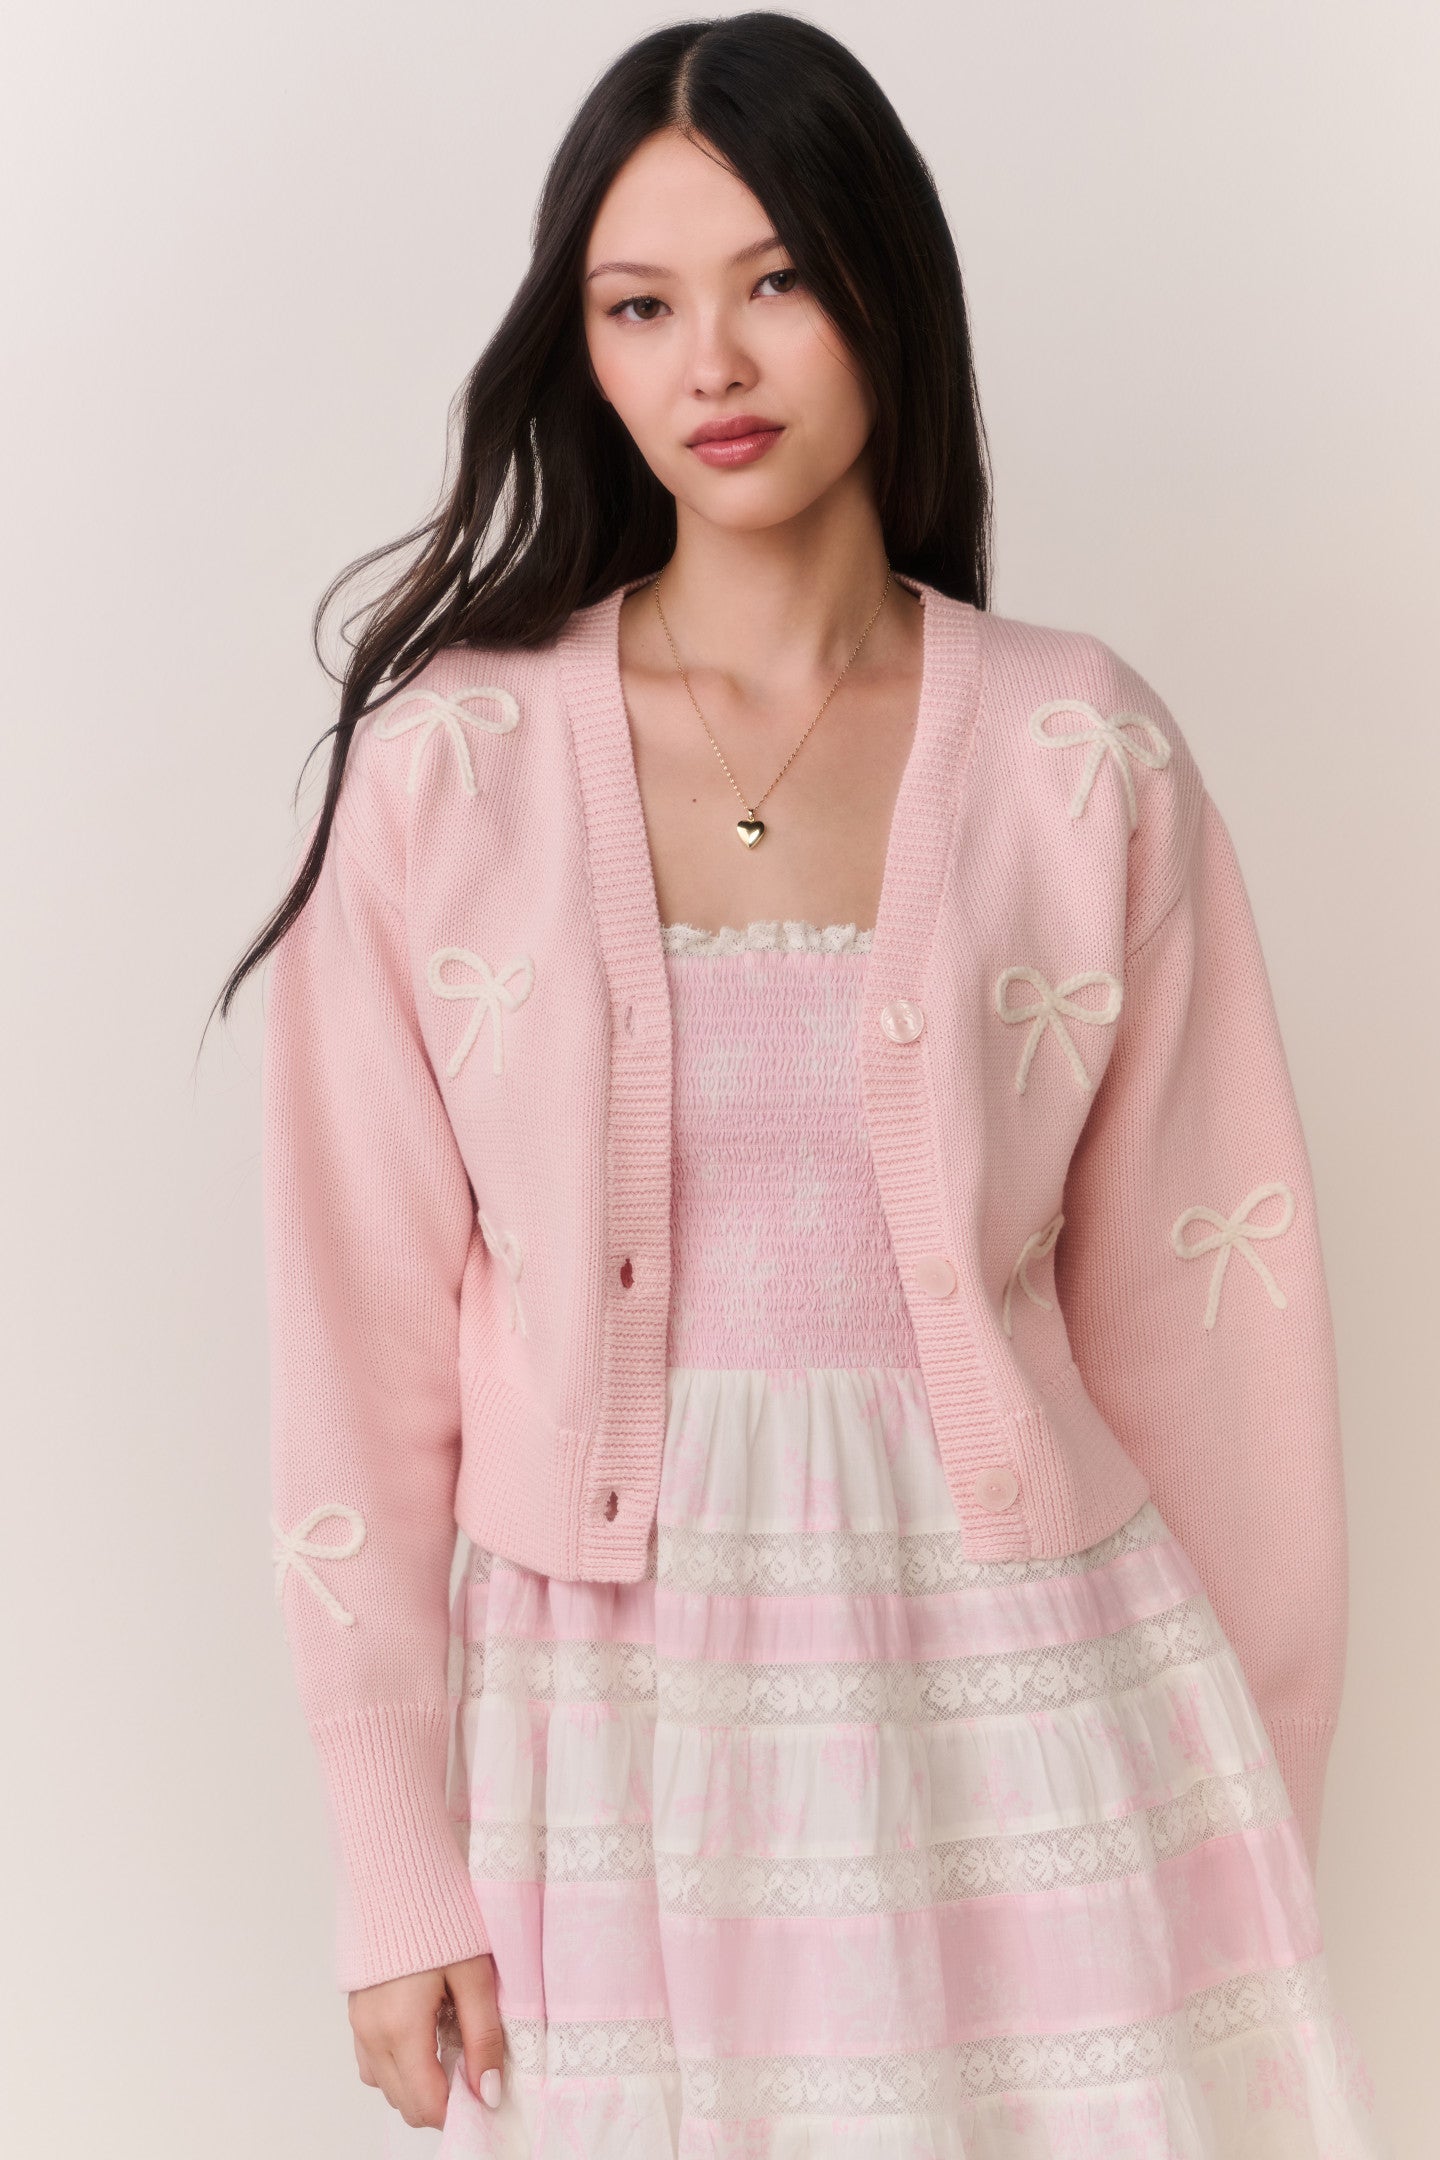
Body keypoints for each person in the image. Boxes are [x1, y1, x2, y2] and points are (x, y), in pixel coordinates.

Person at [219, 13, 1391, 2154]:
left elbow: (1218, 1336)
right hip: (611, 1725)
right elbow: (350, 1354)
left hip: (1031, 1716)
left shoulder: (1077, 753)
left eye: (775, 281)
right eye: (640, 307)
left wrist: (1257, 1826)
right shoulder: (451, 771)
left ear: (883, 284)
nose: (714, 364)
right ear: (581, 347)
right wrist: (394, 1862)